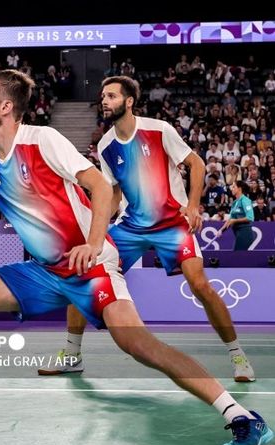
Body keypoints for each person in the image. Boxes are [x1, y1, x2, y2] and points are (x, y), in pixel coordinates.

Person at [0, 70, 271, 445]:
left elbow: (98, 184)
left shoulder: (42, 140)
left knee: (139, 344)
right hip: (45, 270)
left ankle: (242, 417)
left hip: (90, 265)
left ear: (7, 106)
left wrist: (94, 244)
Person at [38, 76, 256, 384]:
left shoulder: (159, 130)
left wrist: (193, 206)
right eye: (103, 96)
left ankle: (238, 356)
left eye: (111, 96)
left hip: (172, 223)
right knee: (83, 274)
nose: (104, 101)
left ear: (128, 102)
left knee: (200, 285)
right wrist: (95, 227)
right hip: (131, 225)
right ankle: (72, 355)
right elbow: (112, 192)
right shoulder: (105, 145)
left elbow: (196, 164)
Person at [218, 181, 255, 250]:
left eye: (234, 186)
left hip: (245, 234)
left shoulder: (245, 200)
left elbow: (250, 217)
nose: (232, 188)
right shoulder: (234, 203)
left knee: (236, 256)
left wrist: (235, 220)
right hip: (238, 234)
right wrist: (221, 230)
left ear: (239, 189)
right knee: (237, 257)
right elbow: (230, 219)